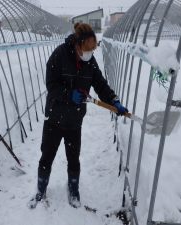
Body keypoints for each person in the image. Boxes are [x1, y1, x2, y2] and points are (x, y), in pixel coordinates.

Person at [28, 23, 128, 209]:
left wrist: (114, 100)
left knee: (74, 158)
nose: (90, 53)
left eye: (93, 49)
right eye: (87, 48)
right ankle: (40, 190)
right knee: (46, 156)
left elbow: (100, 84)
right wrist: (69, 94)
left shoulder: (90, 61)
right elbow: (51, 84)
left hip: (75, 120)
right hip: (55, 118)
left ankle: (73, 190)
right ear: (77, 44)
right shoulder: (59, 55)